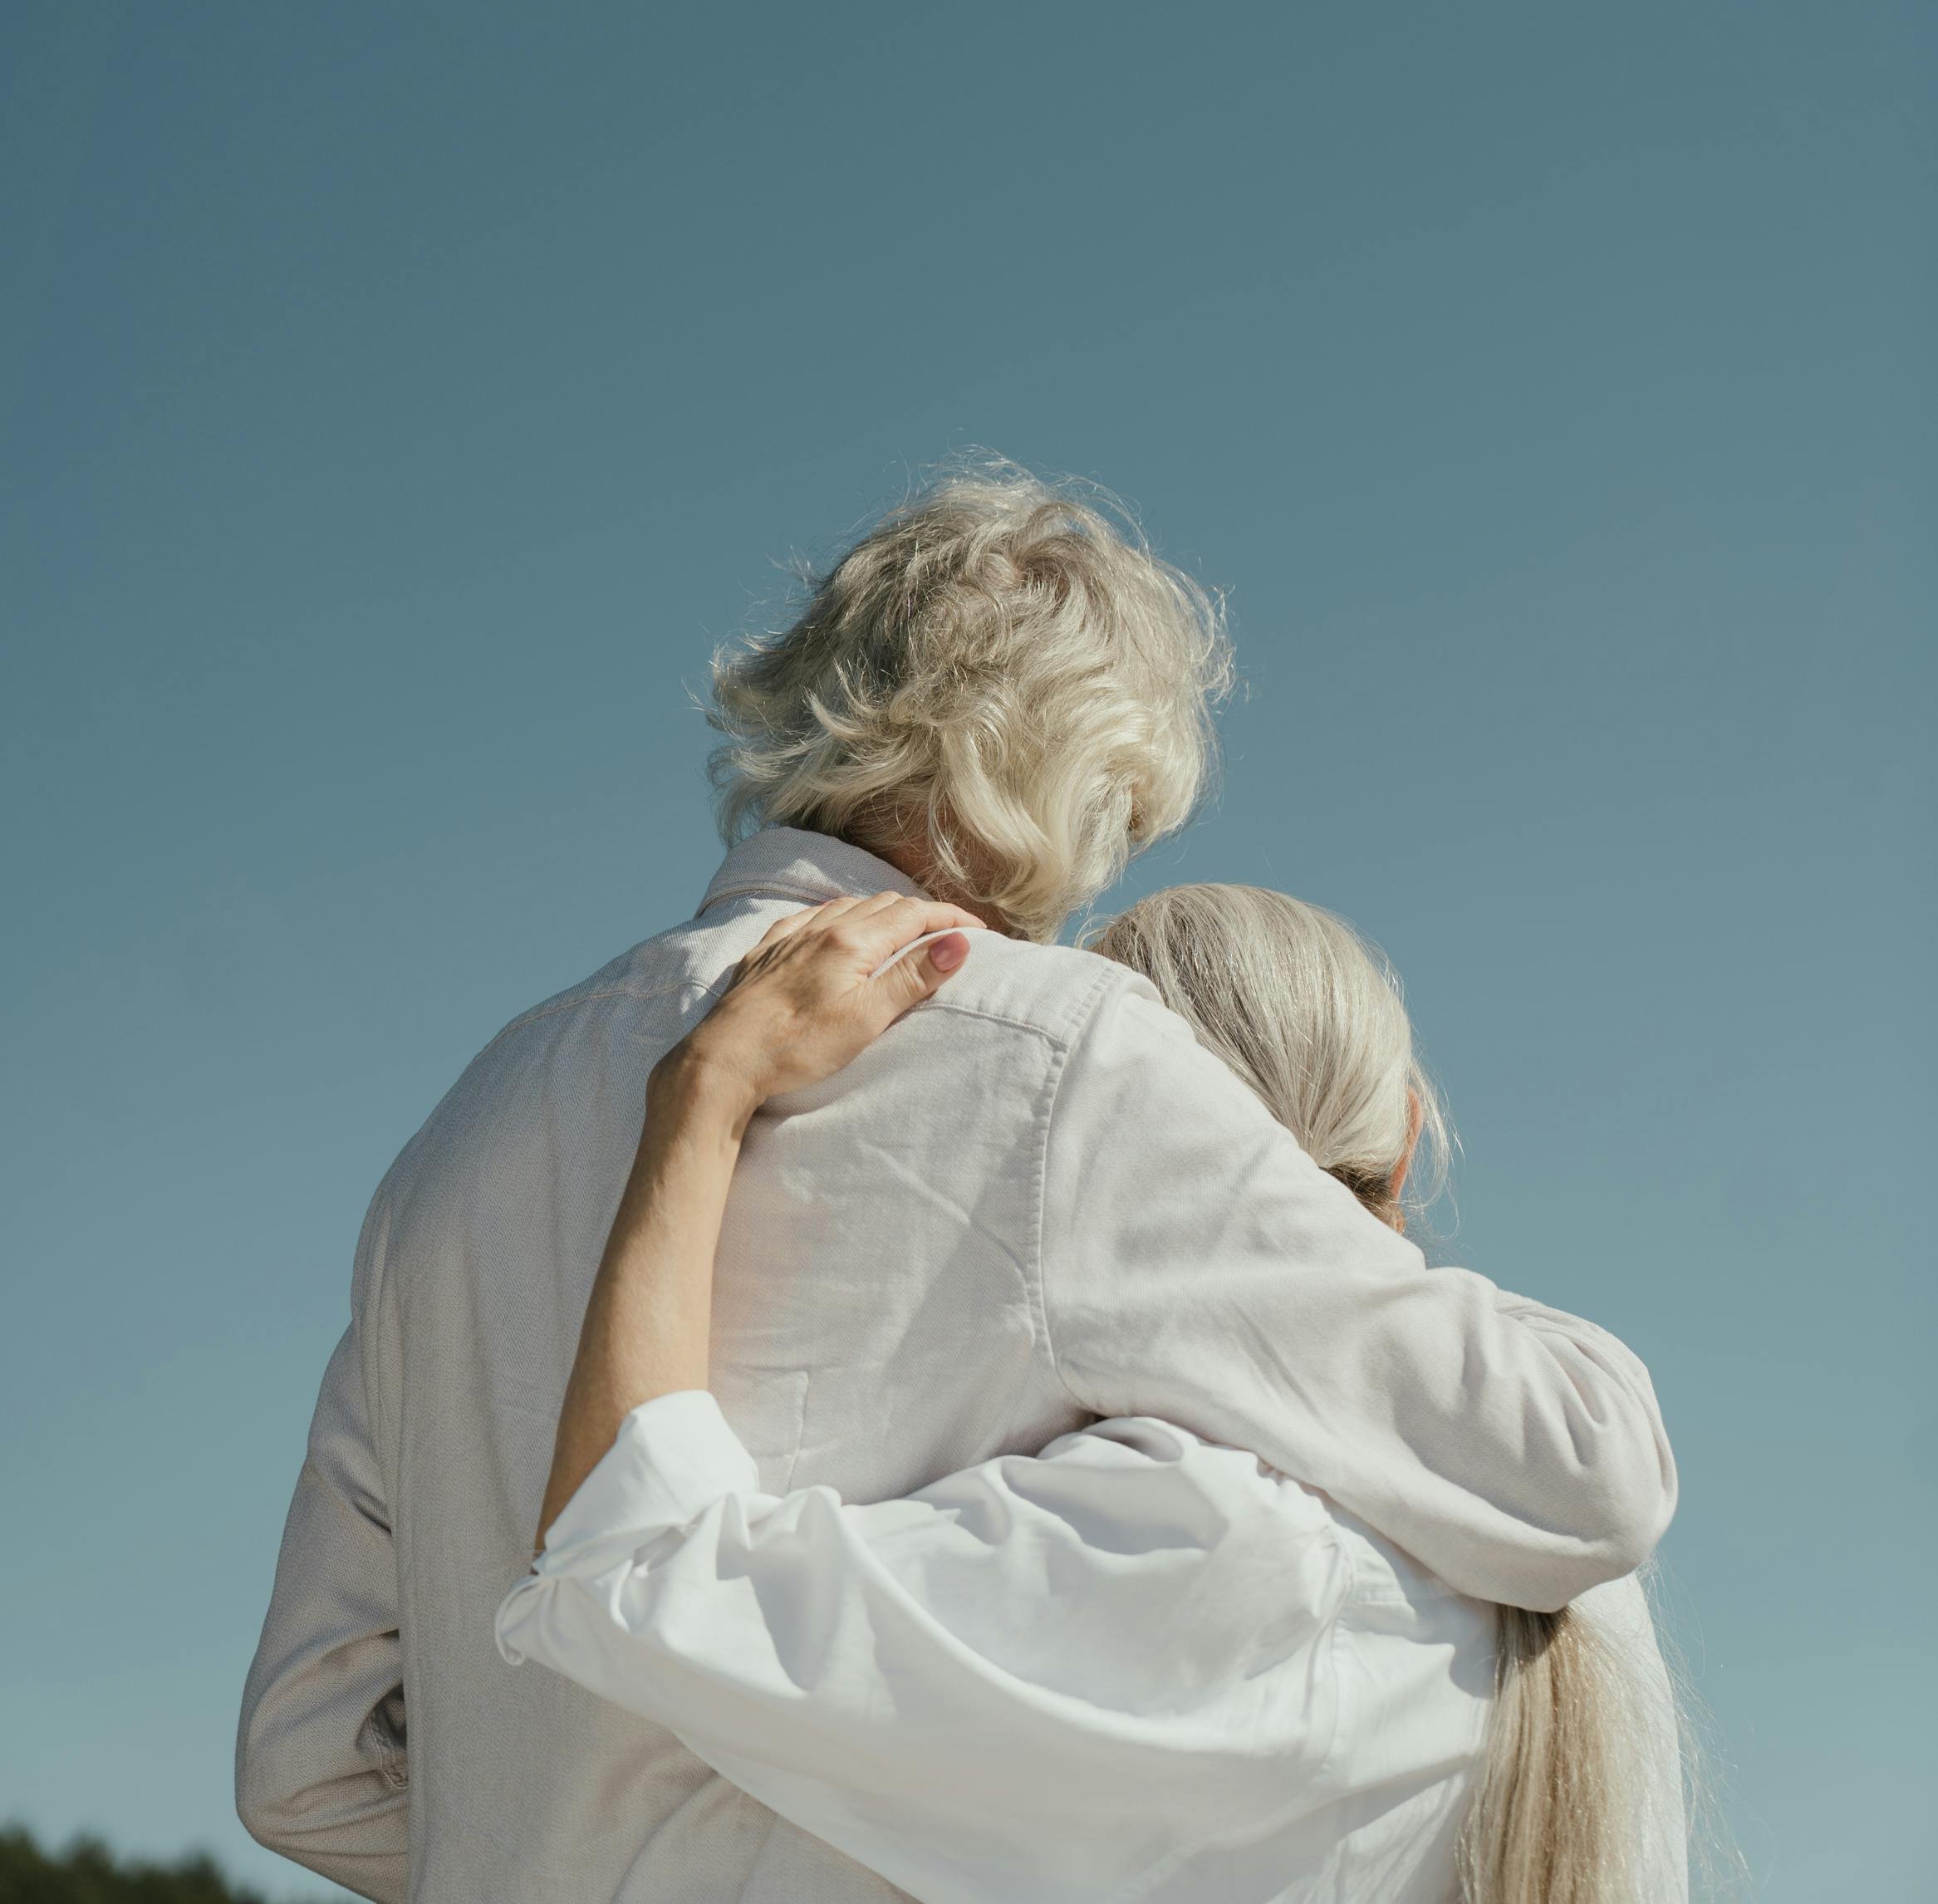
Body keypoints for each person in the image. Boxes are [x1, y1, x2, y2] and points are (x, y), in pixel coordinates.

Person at [238, 469, 1675, 1904]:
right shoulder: (1065, 1055)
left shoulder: (462, 1132)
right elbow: (1577, 1468)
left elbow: (307, 1762)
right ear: (1098, 796)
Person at [498, 885, 1688, 1903]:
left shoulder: (1202, 1536)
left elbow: (631, 1571)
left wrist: (705, 1095)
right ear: (1413, 1139)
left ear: (1137, 1130)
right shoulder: (1587, 1568)